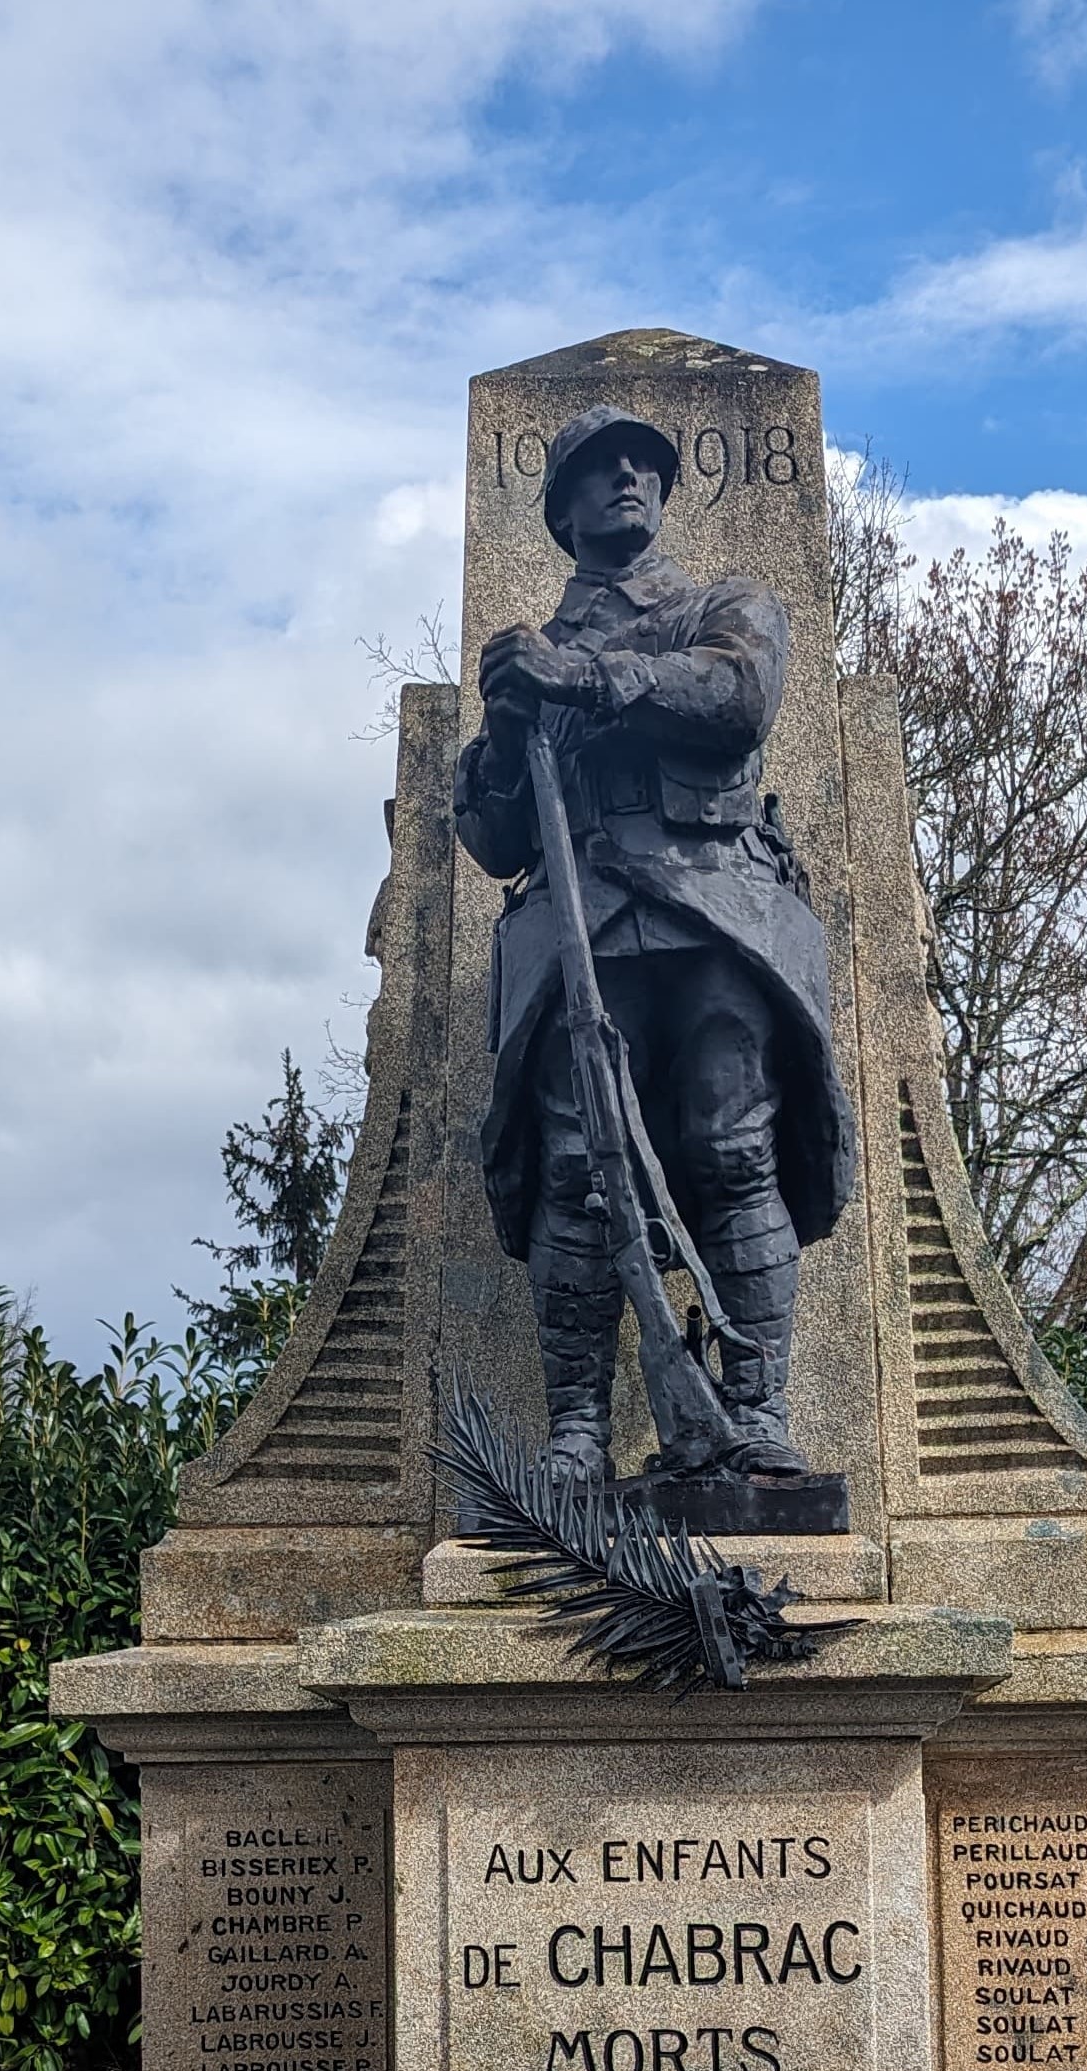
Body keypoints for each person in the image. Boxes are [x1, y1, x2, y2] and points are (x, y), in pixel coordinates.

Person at [454, 403, 856, 1486]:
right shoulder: (532, 659)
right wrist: (501, 730)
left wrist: (586, 680)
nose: (628, 476)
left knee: (735, 1150)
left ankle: (755, 1410)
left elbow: (737, 699)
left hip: (715, 908)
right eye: (599, 467)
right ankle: (578, 1430)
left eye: (644, 464)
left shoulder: (725, 608)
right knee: (583, 1172)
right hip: (583, 919)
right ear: (564, 509)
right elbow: (493, 841)